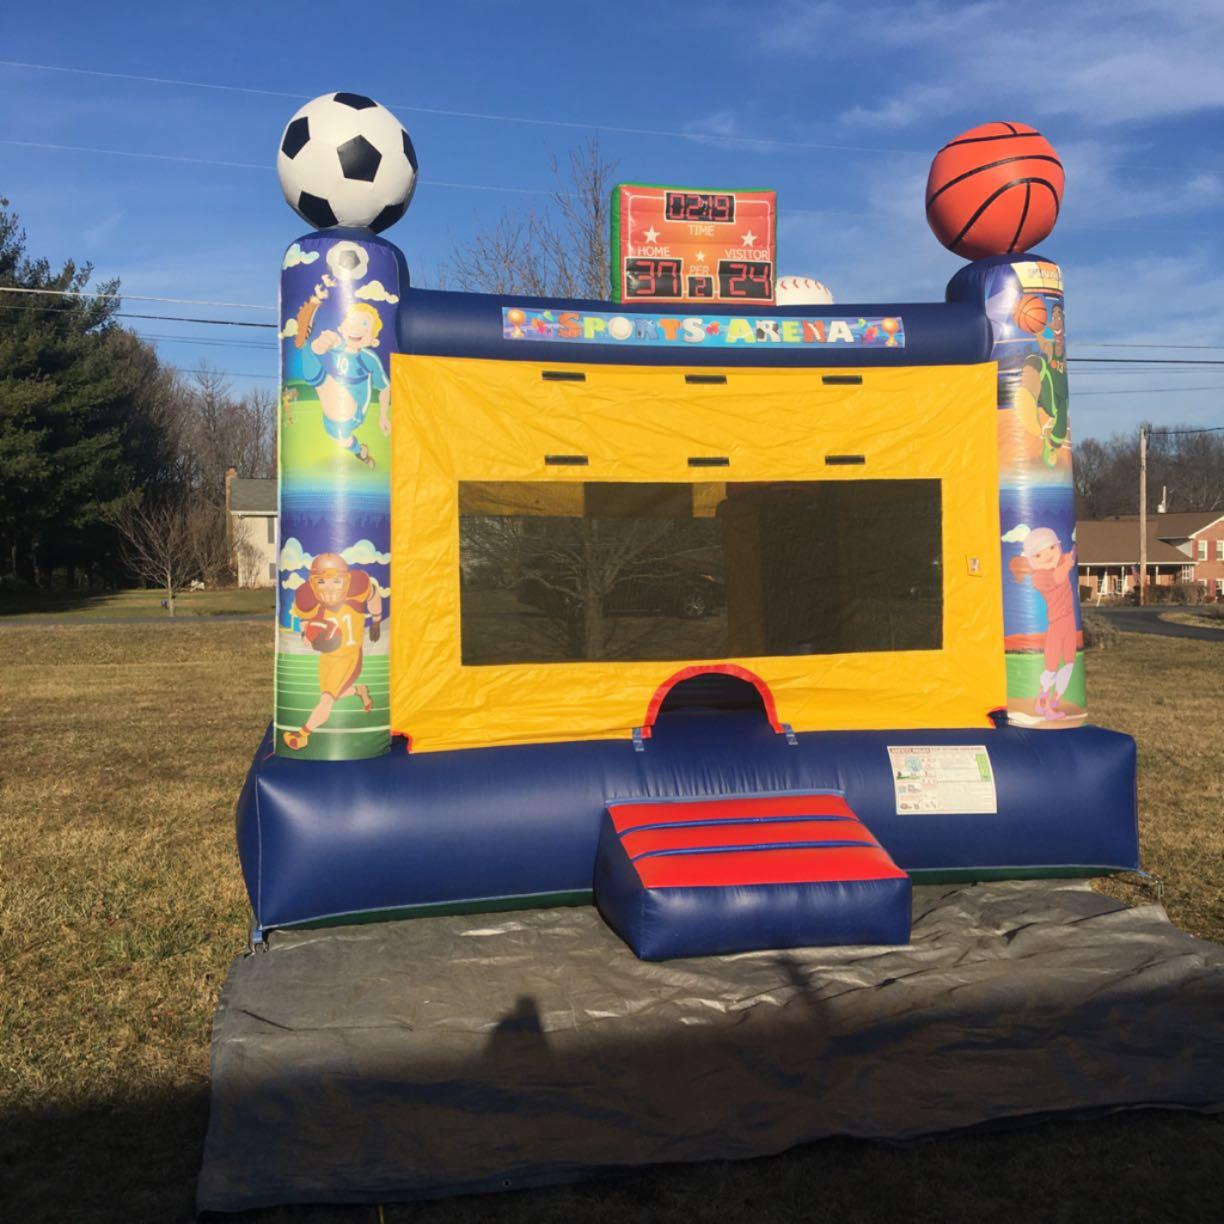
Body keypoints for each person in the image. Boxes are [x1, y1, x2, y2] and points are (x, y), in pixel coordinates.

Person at [282, 553, 382, 751]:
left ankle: (302, 734)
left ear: (346, 579)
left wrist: (377, 620)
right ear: (312, 582)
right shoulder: (307, 597)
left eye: (336, 581)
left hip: (349, 657)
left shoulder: (358, 586)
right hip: (328, 658)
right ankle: (359, 691)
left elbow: (374, 595)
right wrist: (306, 634)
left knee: (326, 699)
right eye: (322, 581)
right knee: (334, 694)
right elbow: (305, 620)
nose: (329, 587)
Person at [296, 301, 391, 467]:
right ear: (342, 328)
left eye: (364, 324)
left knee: (324, 385)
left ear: (373, 340)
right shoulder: (337, 345)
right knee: (342, 439)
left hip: (353, 411)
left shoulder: (369, 359)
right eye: (352, 322)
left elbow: (384, 388)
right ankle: (360, 452)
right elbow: (323, 347)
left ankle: (305, 342)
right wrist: (321, 343)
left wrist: (383, 415)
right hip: (332, 417)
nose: (356, 328)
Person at [1009, 526, 1077, 719]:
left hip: (1070, 622)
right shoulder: (1039, 577)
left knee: (1070, 662)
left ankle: (1054, 699)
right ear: (1031, 561)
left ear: (1058, 547)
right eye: (1038, 555)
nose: (1047, 555)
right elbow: (1057, 577)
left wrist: (1071, 555)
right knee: (1051, 666)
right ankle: (1046, 705)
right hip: (1057, 624)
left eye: (1051, 549)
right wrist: (1067, 563)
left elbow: (1066, 558)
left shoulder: (1062, 560)